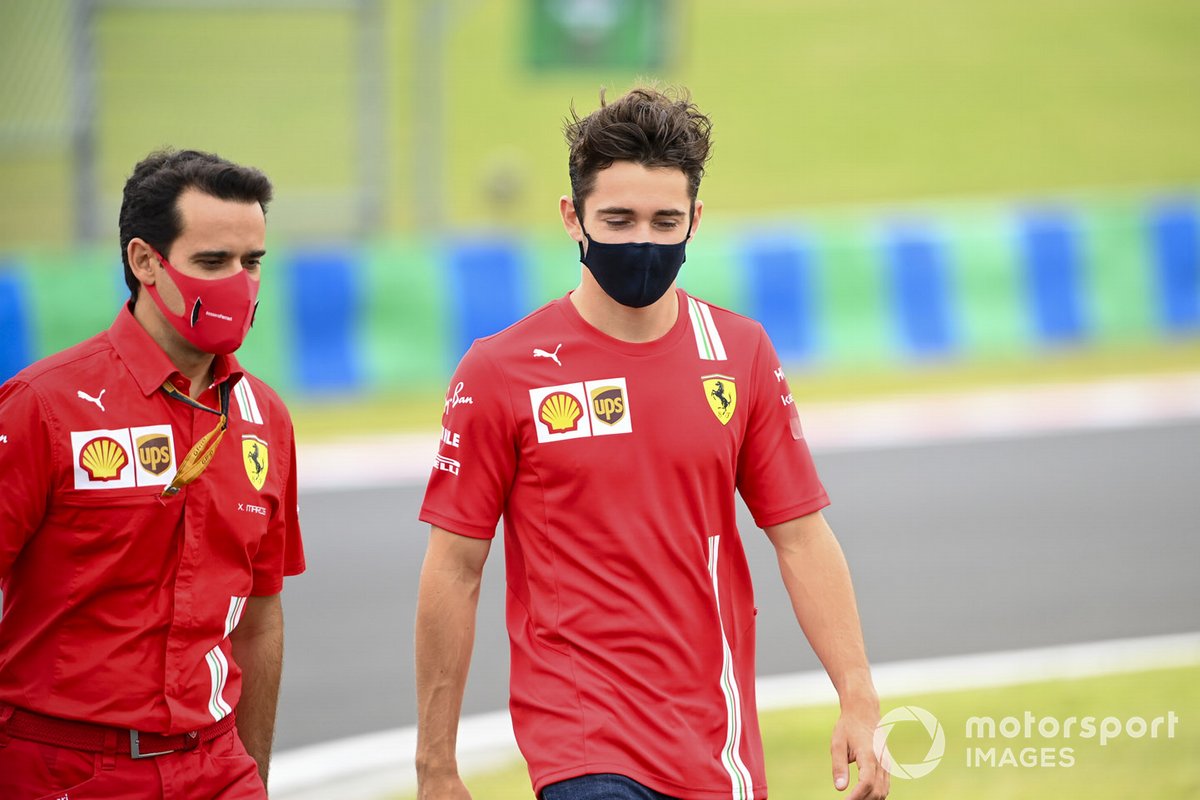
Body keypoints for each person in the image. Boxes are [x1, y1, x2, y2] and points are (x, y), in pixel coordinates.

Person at [415, 87, 888, 800]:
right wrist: (436, 766)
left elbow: (800, 537)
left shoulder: (740, 353)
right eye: (619, 218)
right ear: (573, 218)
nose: (643, 241)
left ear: (695, 220)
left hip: (717, 748)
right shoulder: (499, 371)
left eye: (666, 221)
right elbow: (454, 570)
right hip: (581, 746)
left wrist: (858, 696)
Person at [0, 149, 305, 799]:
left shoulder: (266, 419)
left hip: (218, 767)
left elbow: (260, 615)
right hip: (63, 766)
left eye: (252, 263)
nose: (240, 283)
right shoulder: (43, 405)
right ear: (145, 263)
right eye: (213, 262)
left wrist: (253, 774)